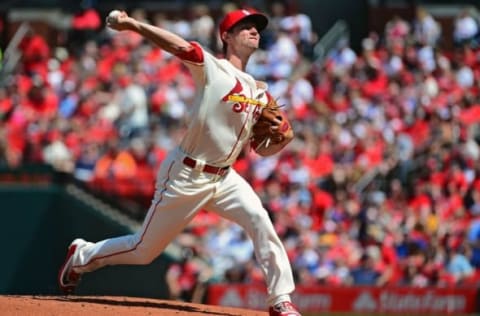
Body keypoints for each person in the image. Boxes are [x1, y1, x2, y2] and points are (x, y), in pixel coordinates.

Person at [58, 8, 301, 316]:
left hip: (225, 178)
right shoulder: (213, 68)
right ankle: (82, 254)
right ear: (226, 36)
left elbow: (260, 151)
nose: (254, 31)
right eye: (244, 27)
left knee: (260, 220)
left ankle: (280, 300)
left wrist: (281, 141)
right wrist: (132, 24)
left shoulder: (260, 92)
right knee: (143, 250)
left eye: (256, 27)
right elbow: (178, 45)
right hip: (188, 173)